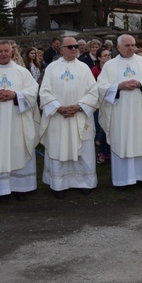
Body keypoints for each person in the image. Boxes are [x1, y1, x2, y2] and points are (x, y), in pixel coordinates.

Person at [0, 40, 40, 200]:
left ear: (12, 52)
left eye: (6, 51)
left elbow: (33, 91)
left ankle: (22, 188)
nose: (3, 54)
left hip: (18, 121)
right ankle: (0, 190)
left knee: (19, 147)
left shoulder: (22, 72)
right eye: (0, 51)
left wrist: (15, 95)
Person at [39, 37, 100, 198]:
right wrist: (57, 107)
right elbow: (44, 91)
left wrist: (80, 106)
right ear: (62, 49)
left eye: (76, 47)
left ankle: (85, 182)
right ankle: (59, 184)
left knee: (83, 150)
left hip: (79, 116)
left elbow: (93, 92)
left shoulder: (84, 68)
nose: (74, 49)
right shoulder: (52, 68)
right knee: (59, 148)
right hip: (59, 117)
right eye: (70, 47)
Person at [97, 35, 142, 189]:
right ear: (118, 47)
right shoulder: (110, 65)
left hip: (141, 110)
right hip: (120, 112)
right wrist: (118, 86)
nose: (131, 48)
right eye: (127, 45)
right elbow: (100, 87)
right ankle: (123, 180)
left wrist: (140, 83)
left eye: (132, 45)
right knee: (122, 141)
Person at [92, 48, 113, 163]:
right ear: (99, 57)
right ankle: (102, 152)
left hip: (112, 101)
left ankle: (110, 151)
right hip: (100, 102)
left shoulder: (113, 68)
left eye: (109, 55)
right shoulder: (95, 70)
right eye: (105, 55)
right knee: (103, 128)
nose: (108, 57)